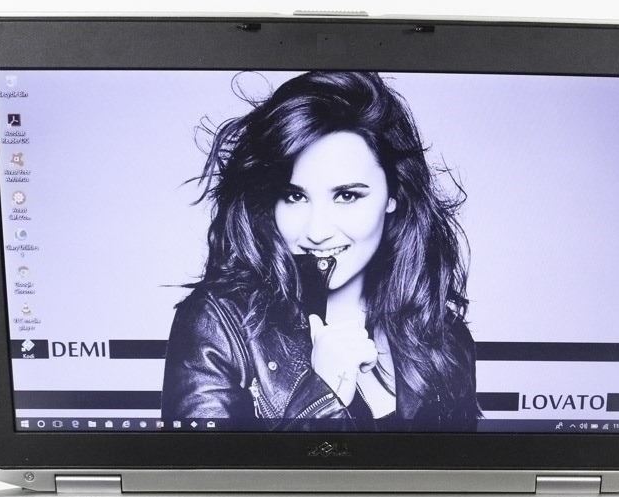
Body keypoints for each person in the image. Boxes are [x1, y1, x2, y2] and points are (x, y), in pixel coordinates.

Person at [161, 70, 480, 430]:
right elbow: (202, 468)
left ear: (394, 194)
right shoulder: (217, 325)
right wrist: (322, 392)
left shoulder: (445, 336)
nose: (317, 231)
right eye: (295, 196)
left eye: (347, 195)